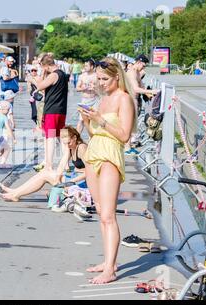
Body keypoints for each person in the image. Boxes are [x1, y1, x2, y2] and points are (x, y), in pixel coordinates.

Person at [79, 57, 136, 284]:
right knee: (101, 212)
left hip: (111, 155)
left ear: (116, 77)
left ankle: (110, 269)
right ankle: (107, 261)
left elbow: (124, 135)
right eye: (99, 79)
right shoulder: (103, 100)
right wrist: (87, 120)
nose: (101, 83)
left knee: (108, 215)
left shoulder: (124, 99)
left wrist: (100, 120)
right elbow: (96, 134)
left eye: (104, 79)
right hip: (93, 153)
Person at [0, 126, 87, 202]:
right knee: (44, 172)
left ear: (75, 137)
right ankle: (16, 191)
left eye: (69, 143)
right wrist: (57, 178)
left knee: (45, 175)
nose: (67, 145)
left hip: (83, 182)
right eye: (65, 144)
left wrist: (72, 181)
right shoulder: (71, 147)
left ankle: (16, 194)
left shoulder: (82, 148)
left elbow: (90, 172)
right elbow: (62, 164)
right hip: (74, 178)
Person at [32, 54, 68, 172]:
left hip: (52, 110)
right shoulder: (62, 74)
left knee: (50, 137)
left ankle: (49, 165)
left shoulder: (54, 75)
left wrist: (35, 78)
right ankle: (66, 164)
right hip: (61, 110)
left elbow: (40, 86)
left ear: (46, 66)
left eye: (42, 67)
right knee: (60, 137)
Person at [125, 54, 158, 155]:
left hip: (134, 99)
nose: (143, 68)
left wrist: (149, 94)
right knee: (129, 124)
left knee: (131, 124)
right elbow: (135, 88)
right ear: (138, 62)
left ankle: (128, 145)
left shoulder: (137, 73)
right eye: (143, 66)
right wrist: (152, 91)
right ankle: (126, 148)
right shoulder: (131, 73)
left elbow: (142, 86)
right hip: (130, 99)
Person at [76, 59, 100, 134]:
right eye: (84, 65)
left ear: (92, 66)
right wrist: (83, 88)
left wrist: (94, 88)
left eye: (87, 65)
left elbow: (101, 91)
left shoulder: (97, 76)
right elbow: (77, 88)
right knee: (81, 120)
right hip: (85, 100)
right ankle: (77, 137)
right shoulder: (82, 76)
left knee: (93, 120)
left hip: (95, 100)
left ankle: (91, 140)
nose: (85, 67)